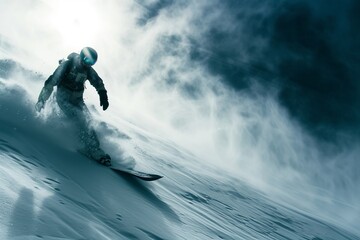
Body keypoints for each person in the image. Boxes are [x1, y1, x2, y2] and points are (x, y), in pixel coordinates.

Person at [35, 47, 111, 166]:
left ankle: (95, 148)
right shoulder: (67, 65)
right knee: (78, 119)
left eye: (91, 62)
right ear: (81, 56)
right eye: (86, 60)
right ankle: (91, 148)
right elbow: (51, 82)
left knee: (88, 121)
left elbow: (98, 82)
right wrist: (41, 100)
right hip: (63, 98)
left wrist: (103, 95)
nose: (88, 64)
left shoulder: (88, 70)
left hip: (78, 100)